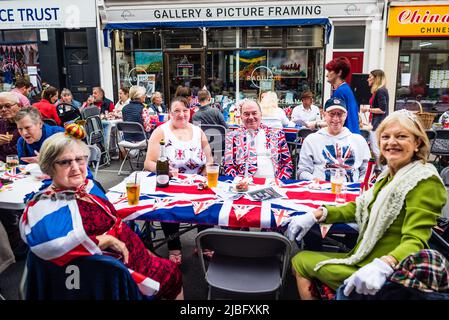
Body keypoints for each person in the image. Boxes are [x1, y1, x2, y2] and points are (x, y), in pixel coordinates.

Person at [284, 109, 447, 300]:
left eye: (401, 136)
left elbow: (417, 240)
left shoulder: (424, 180)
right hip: (364, 257)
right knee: (300, 260)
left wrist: (384, 264)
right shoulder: (390, 175)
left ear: (417, 143)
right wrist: (317, 214)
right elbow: (359, 207)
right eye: (385, 136)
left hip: (384, 272)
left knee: (299, 261)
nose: (391, 142)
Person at [19, 132, 183, 300]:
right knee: (173, 274)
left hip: (131, 254)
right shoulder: (48, 204)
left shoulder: (85, 187)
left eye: (79, 159)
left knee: (163, 262)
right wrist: (105, 240)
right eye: (65, 162)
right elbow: (51, 244)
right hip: (115, 273)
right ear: (49, 167)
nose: (76, 167)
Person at [144, 96, 213, 265]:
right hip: (171, 184)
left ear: (190, 111)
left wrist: (205, 170)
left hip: (197, 183)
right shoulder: (161, 131)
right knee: (168, 206)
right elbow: (148, 163)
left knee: (208, 201)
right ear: (170, 113)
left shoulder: (198, 131)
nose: (181, 114)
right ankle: (174, 246)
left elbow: (210, 157)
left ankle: (203, 243)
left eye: (185, 110)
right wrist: (164, 170)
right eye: (177, 111)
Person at [297, 98, 370, 182]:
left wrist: (360, 183)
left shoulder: (359, 140)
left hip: (352, 191)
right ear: (324, 115)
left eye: (339, 114)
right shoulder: (311, 140)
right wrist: (315, 180)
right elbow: (302, 171)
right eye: (331, 114)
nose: (335, 118)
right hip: (321, 191)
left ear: (345, 115)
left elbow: (366, 171)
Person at [224, 99, 293, 179]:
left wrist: (278, 182)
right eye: (246, 114)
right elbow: (228, 166)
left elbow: (287, 165)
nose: (251, 117)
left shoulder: (277, 134)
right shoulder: (231, 137)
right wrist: (239, 183)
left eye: (254, 113)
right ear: (241, 116)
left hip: (272, 184)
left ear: (261, 114)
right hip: (243, 187)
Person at [325, 57, 360, 134]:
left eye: (330, 71)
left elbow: (335, 120)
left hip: (345, 137)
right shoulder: (346, 89)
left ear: (339, 72)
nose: (327, 75)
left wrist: (316, 124)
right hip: (353, 134)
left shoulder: (340, 92)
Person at [361, 69, 389, 159]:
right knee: (375, 149)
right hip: (376, 122)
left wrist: (367, 109)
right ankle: (380, 169)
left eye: (370, 77)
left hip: (379, 124)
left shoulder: (380, 91)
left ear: (376, 78)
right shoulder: (379, 91)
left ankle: (384, 170)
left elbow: (382, 109)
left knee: (376, 150)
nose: (367, 79)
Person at [0, 92, 22, 162]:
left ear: (19, 106)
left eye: (7, 106)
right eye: (0, 107)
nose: (3, 109)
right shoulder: (1, 123)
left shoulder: (28, 124)